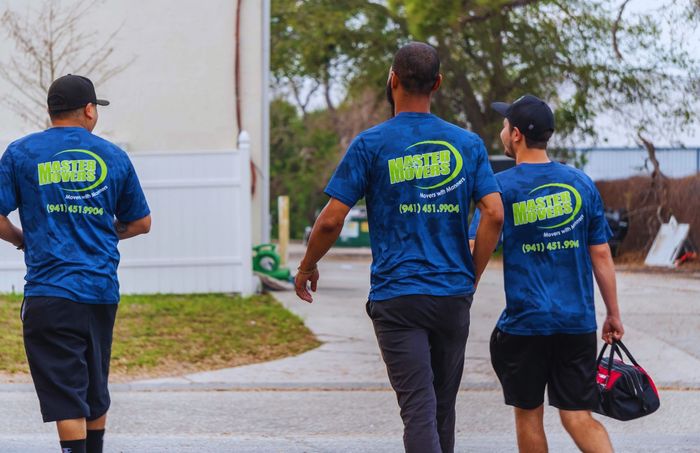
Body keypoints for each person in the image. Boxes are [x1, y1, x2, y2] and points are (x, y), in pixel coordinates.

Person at [294, 42, 504, 453]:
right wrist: (469, 276)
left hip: (398, 298)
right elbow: (494, 214)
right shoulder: (468, 144)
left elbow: (332, 219)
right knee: (441, 409)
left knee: (418, 409)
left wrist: (306, 266)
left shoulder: (371, 145)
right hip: (451, 296)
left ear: (392, 81)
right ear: (437, 84)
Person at [0, 74, 151, 453]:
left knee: (67, 394)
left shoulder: (20, 153)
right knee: (94, 388)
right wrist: (103, 232)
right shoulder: (114, 156)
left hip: (50, 293)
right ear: (89, 110)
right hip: (100, 293)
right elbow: (141, 223)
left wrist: (23, 239)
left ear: (51, 111)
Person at [470, 94, 624, 453]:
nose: (502, 130)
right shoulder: (581, 183)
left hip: (526, 324)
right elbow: (600, 253)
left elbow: (476, 246)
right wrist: (613, 313)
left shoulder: (500, 189)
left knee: (528, 415)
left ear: (518, 135)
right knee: (577, 417)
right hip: (577, 324)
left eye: (506, 125)